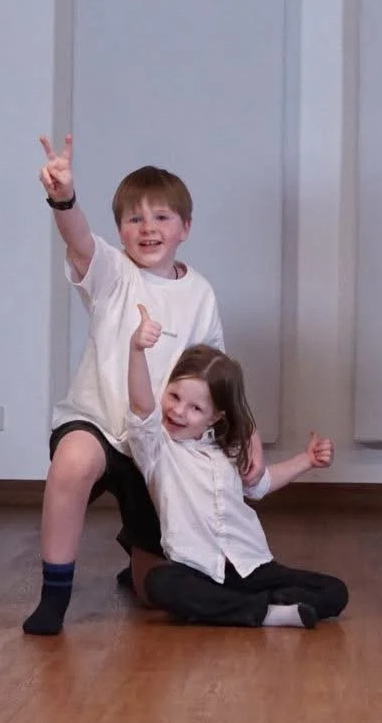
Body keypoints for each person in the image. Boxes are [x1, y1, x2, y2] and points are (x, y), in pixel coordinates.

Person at [22, 135, 263, 635]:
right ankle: (54, 594)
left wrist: (250, 430)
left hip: (159, 441)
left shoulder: (200, 293)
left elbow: (217, 372)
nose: (147, 228)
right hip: (97, 421)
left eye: (161, 218)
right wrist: (63, 197)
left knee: (157, 583)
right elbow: (77, 237)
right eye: (135, 219)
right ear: (120, 231)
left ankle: (139, 559)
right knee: (74, 462)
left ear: (185, 229)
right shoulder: (112, 272)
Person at [123, 309, 348, 628]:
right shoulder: (158, 448)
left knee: (334, 591)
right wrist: (137, 350)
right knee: (160, 584)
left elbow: (260, 485)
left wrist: (307, 461)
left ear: (215, 417)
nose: (178, 411)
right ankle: (265, 613)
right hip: (197, 567)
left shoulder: (225, 450)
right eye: (174, 396)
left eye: (196, 408)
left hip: (251, 564)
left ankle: (240, 607)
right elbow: (142, 408)